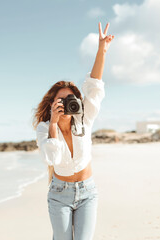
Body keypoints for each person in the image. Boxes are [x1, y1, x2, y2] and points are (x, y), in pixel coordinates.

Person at [32, 22, 114, 240]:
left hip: (88, 192)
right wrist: (53, 124)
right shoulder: (44, 128)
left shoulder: (84, 117)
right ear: (52, 103)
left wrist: (101, 50)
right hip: (59, 195)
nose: (66, 103)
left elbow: (95, 85)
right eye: (61, 100)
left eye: (71, 99)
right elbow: (51, 158)